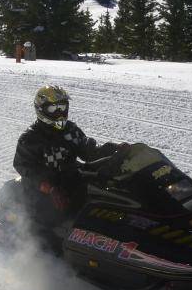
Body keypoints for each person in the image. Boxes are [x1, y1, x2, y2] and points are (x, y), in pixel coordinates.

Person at [13, 85, 120, 225]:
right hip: (41, 191)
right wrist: (49, 188)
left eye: (62, 107)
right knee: (54, 217)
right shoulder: (30, 138)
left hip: (70, 179)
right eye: (53, 109)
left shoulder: (70, 130)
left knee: (105, 191)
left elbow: (88, 150)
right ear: (41, 110)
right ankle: (51, 243)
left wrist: (115, 149)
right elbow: (25, 167)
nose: (59, 112)